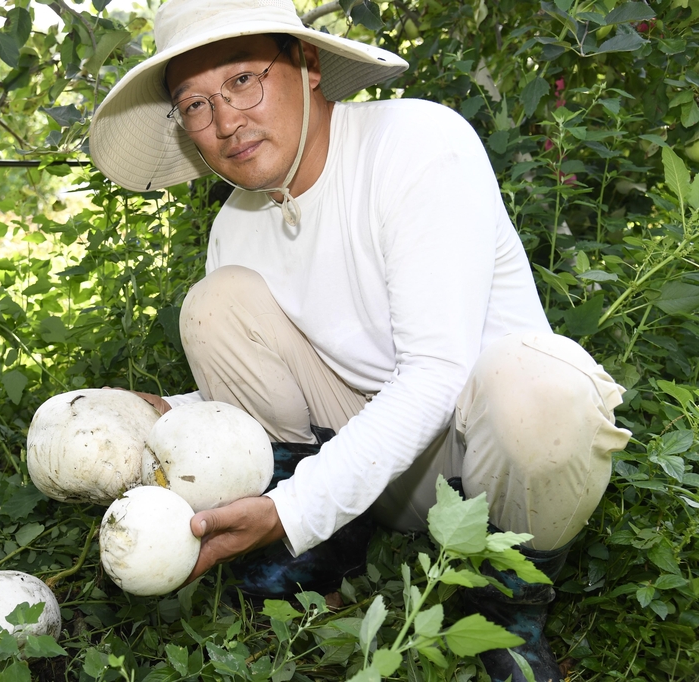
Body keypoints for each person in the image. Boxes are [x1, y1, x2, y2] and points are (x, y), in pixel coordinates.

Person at [88, 0, 632, 680]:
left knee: (547, 390)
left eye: (241, 81)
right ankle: (316, 572)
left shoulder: (417, 145)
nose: (226, 121)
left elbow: (436, 371)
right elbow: (284, 371)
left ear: (307, 64)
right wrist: (165, 406)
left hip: (486, 453)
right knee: (214, 305)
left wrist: (290, 507)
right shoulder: (235, 227)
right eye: (194, 104)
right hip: (365, 460)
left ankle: (501, 613)